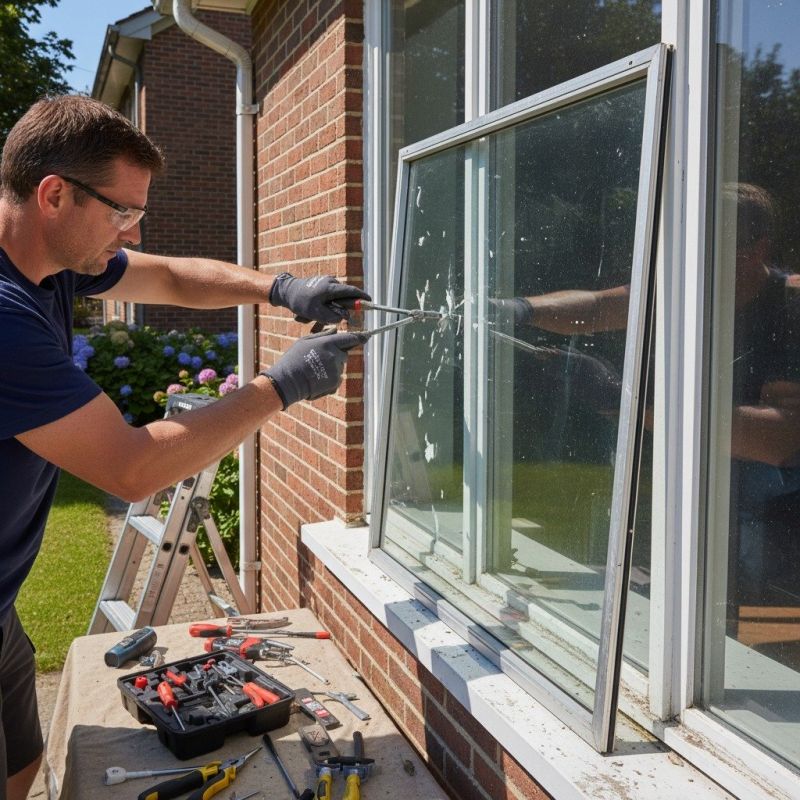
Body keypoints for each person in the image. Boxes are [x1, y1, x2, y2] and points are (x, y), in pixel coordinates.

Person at [0, 94, 370, 799]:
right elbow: (133, 467)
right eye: (123, 211)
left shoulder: (47, 261)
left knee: (21, 760)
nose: (133, 229)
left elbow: (168, 275)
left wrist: (283, 288)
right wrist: (278, 388)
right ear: (54, 195)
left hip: (1, 603)